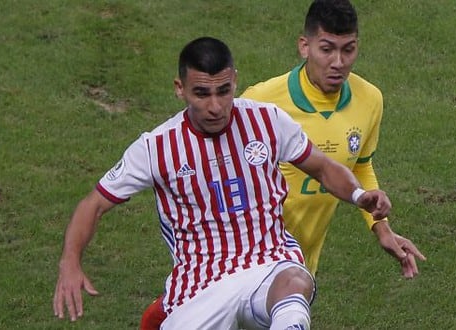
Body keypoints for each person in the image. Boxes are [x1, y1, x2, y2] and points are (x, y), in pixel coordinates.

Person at [53, 36, 393, 329]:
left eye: (223, 91)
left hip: (267, 262)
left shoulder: (267, 120)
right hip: (200, 286)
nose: (215, 106)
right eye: (201, 93)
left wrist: (359, 194)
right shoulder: (156, 148)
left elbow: (321, 167)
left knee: (295, 282)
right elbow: (94, 204)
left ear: (234, 82)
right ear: (179, 89)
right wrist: (70, 262)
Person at [140, 1, 426, 329]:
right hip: (243, 261)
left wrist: (381, 226)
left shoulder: (369, 99)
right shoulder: (262, 102)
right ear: (304, 46)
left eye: (348, 50)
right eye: (327, 49)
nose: (338, 62)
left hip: (297, 263)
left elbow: (360, 164)